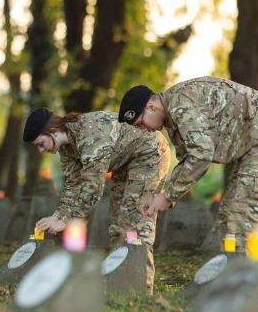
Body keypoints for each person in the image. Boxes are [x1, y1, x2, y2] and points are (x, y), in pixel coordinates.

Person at [117, 76, 258, 248]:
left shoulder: (180, 104)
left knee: (242, 212)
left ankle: (243, 274)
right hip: (254, 140)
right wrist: (163, 196)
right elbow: (189, 159)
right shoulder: (172, 113)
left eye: (140, 123)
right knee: (228, 211)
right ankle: (234, 269)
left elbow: (201, 154)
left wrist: (168, 195)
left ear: (151, 107)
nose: (144, 130)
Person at [23, 108, 170, 291]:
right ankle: (121, 285)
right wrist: (58, 216)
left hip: (150, 155)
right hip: (126, 162)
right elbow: (72, 186)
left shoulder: (90, 134)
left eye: (41, 143)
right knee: (117, 225)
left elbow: (93, 188)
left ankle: (141, 290)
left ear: (51, 131)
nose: (41, 150)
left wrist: (68, 220)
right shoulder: (67, 148)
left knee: (135, 223)